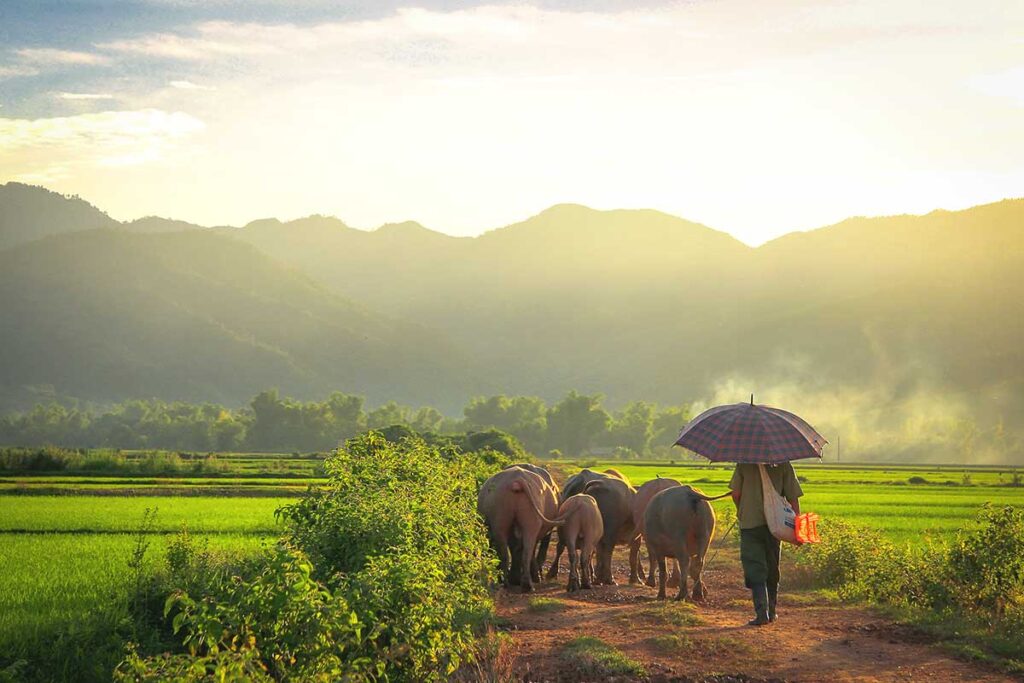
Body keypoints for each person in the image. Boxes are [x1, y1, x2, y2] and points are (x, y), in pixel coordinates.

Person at [728, 462, 803, 626]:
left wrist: (741, 510)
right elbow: (793, 498)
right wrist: (797, 526)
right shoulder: (784, 464)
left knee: (755, 567)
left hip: (750, 524)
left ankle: (761, 613)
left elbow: (736, 494)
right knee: (772, 566)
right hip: (776, 526)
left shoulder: (744, 463)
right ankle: (772, 612)